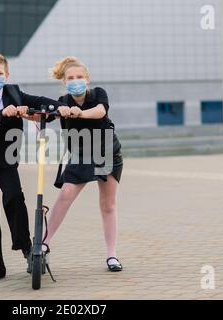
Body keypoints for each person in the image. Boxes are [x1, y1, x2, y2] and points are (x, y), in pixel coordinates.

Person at [0, 52, 63, 282]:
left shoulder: (14, 93)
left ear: (6, 75)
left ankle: (27, 249)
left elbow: (38, 101)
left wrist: (61, 107)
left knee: (14, 198)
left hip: (5, 160)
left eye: (0, 73)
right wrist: (2, 113)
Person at [42, 56, 124, 272]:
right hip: (80, 153)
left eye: (79, 77)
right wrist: (27, 114)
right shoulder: (63, 101)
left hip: (106, 151)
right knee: (66, 193)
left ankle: (112, 256)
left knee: (108, 204)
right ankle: (44, 244)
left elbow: (100, 111)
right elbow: (45, 116)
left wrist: (81, 113)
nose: (75, 80)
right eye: (71, 78)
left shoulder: (98, 94)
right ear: (65, 82)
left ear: (87, 79)